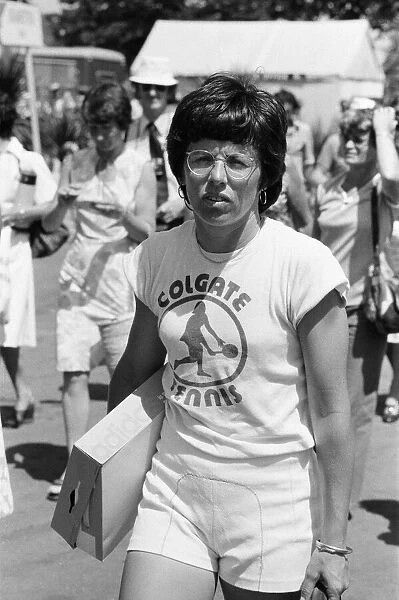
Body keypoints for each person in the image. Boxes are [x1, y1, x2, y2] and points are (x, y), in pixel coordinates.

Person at [109, 73, 354, 600]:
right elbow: (134, 373)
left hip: (273, 504)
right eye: (200, 159)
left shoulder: (305, 266)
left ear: (265, 173)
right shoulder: (156, 256)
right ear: (181, 168)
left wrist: (332, 544)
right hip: (175, 488)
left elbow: (334, 416)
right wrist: (101, 467)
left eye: (237, 161)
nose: (216, 178)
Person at [43, 82, 156, 500]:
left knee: (123, 378)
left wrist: (120, 214)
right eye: (95, 127)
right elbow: (53, 227)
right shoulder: (77, 161)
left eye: (109, 128)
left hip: (120, 284)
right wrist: (62, 201)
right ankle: (75, 466)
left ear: (123, 127)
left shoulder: (138, 166)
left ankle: (120, 467)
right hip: (76, 284)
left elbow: (148, 231)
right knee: (72, 374)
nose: (102, 136)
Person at [313, 102, 399, 515]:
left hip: (362, 311)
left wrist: (383, 130)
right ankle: (319, 489)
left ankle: (340, 503)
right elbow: (312, 243)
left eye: (358, 138)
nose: (349, 145)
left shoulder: (382, 189)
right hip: (318, 309)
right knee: (319, 403)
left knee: (355, 409)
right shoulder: (329, 186)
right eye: (345, 136)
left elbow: (395, 176)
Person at [0, 55, 57, 427]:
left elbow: (52, 205)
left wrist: (17, 214)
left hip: (12, 250)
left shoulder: (26, 160)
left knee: (7, 326)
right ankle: (22, 391)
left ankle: (23, 391)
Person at [127, 56, 185, 230]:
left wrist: (182, 204)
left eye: (159, 88)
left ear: (169, 92)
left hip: (179, 220)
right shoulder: (126, 131)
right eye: (146, 87)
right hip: (140, 224)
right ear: (137, 91)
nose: (152, 93)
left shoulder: (182, 127)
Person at [274, 89, 315, 184]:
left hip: (298, 182)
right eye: (281, 111)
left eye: (288, 112)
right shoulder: (269, 130)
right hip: (275, 183)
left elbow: (309, 161)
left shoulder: (304, 130)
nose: (284, 115)